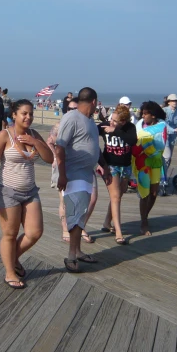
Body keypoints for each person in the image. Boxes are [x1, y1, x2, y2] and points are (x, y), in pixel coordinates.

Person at [0, 99, 54, 289]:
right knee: (10, 233)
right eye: (24, 113)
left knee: (34, 232)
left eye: (30, 113)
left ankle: (11, 259)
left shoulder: (33, 134)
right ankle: (10, 272)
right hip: (7, 191)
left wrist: (35, 142)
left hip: (30, 191)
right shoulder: (5, 136)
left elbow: (50, 158)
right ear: (14, 115)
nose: (28, 117)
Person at [55, 87, 111, 273]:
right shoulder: (71, 118)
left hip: (87, 173)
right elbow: (60, 147)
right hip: (73, 173)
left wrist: (104, 166)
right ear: (94, 102)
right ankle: (71, 255)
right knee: (75, 213)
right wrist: (62, 174)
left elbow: (95, 147)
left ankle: (78, 251)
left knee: (81, 212)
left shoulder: (90, 121)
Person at [99, 104, 137, 245]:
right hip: (110, 166)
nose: (111, 122)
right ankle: (118, 232)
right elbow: (89, 133)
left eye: (115, 121)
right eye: (111, 119)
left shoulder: (130, 128)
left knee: (119, 195)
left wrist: (115, 131)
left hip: (126, 166)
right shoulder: (104, 126)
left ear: (123, 122)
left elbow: (133, 140)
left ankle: (106, 222)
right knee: (115, 196)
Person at [134, 101, 169, 235]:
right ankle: (144, 222)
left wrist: (147, 147)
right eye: (142, 113)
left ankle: (145, 216)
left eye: (145, 114)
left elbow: (162, 145)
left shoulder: (162, 126)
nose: (143, 116)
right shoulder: (139, 125)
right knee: (145, 193)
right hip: (142, 163)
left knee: (154, 193)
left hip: (155, 161)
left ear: (153, 115)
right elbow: (135, 142)